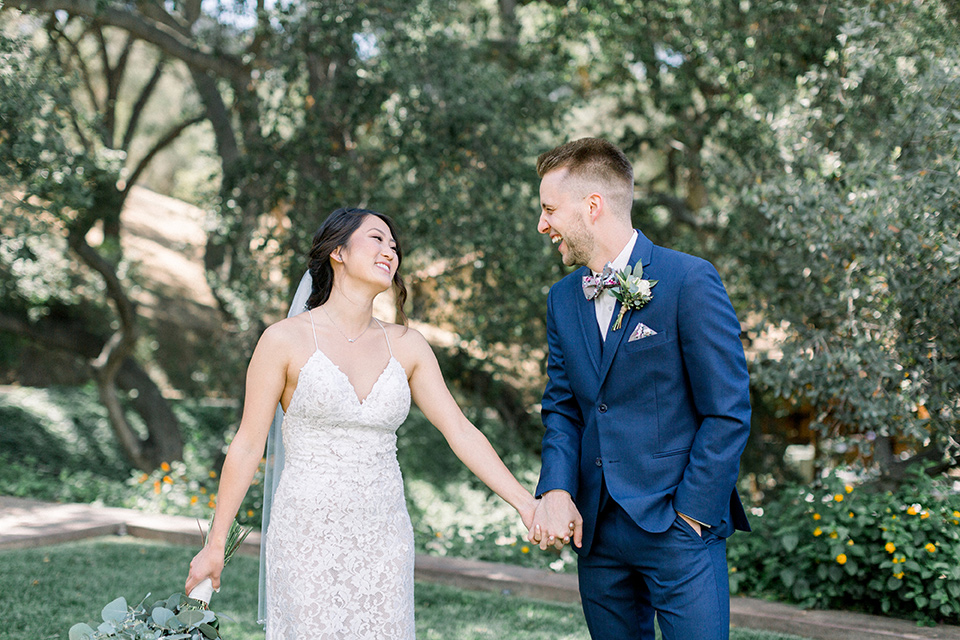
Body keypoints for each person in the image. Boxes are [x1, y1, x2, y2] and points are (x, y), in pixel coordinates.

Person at [185, 207, 538, 639]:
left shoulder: (408, 345)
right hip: (305, 534)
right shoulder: (283, 340)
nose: (390, 250)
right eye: (376, 239)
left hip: (384, 533)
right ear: (337, 251)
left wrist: (525, 502)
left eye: (394, 245)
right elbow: (247, 444)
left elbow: (460, 431)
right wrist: (214, 544)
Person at [528, 138, 752, 640]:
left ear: (592, 206)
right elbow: (563, 408)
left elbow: (728, 410)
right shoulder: (563, 299)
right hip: (598, 533)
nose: (542, 225)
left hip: (678, 526)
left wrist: (692, 515)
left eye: (548, 209)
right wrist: (559, 488)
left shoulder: (689, 280)